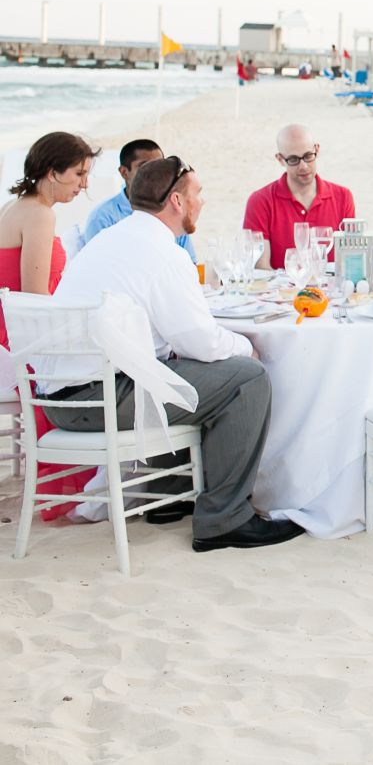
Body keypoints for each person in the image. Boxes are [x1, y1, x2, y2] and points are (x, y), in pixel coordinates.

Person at [40, 156, 303, 552]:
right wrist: (247, 347)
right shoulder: (163, 252)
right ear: (177, 202)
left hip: (56, 399)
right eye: (198, 193)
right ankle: (226, 518)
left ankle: (172, 493)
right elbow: (201, 340)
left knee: (174, 367)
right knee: (246, 378)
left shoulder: (112, 238)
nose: (203, 202)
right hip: (100, 401)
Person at [0, 132, 100, 518]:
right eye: (78, 174)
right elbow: (35, 300)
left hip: (10, 329)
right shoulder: (40, 215)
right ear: (51, 171)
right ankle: (85, 482)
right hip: (20, 339)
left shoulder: (15, 206)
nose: (84, 184)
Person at [244, 124, 356, 269]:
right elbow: (261, 268)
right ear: (280, 159)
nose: (303, 166)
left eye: (308, 156)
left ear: (317, 150)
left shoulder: (343, 197)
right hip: (281, 290)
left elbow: (352, 259)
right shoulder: (260, 201)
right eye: (293, 159)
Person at [80, 138, 195, 259]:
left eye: (160, 167)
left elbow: (190, 262)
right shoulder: (102, 218)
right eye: (144, 167)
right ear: (124, 172)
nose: (154, 174)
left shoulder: (174, 210)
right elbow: (101, 265)